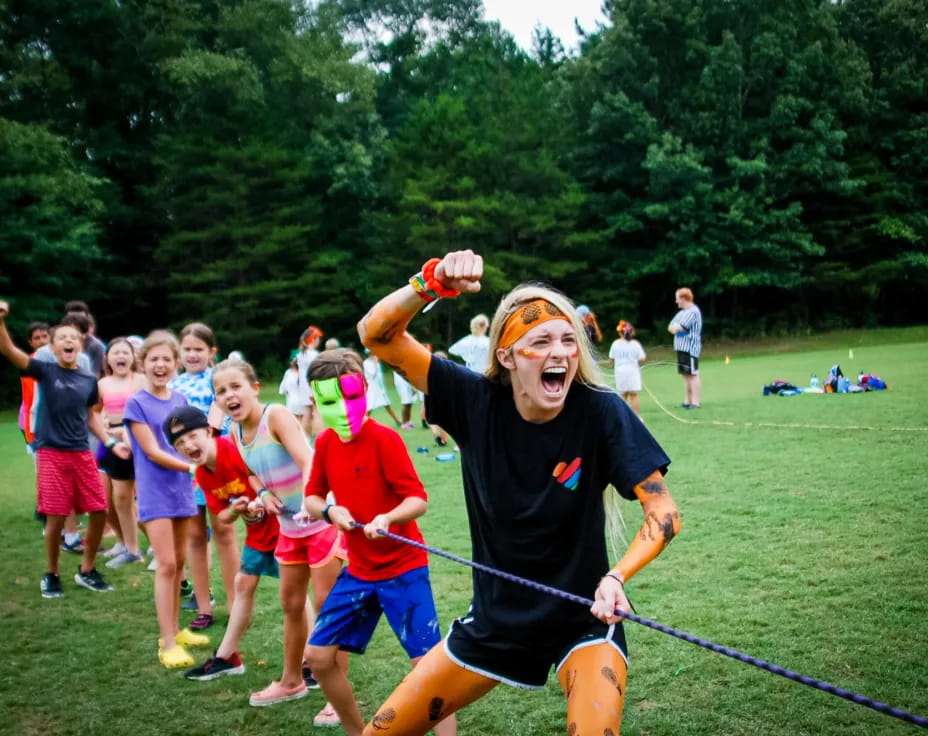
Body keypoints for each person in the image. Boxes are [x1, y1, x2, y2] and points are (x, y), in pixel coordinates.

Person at [357, 251, 681, 736]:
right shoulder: (472, 401)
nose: (560, 352)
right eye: (541, 341)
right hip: (494, 625)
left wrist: (616, 577)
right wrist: (430, 283)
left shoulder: (601, 412)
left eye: (569, 340)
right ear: (506, 357)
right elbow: (376, 335)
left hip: (585, 622)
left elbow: (664, 511)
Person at [301, 349, 457, 736]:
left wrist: (387, 517)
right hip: (358, 571)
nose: (342, 408)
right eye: (330, 401)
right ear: (317, 401)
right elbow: (312, 497)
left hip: (404, 568)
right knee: (319, 658)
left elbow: (418, 499)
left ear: (366, 389)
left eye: (351, 396)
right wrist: (329, 512)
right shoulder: (324, 444)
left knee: (429, 666)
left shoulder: (384, 439)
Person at [213, 358, 346, 715]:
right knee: (291, 604)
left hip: (318, 524)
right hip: (288, 530)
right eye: (221, 391)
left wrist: (311, 502)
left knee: (326, 606)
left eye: (235, 387)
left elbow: (308, 462)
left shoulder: (276, 416)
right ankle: (291, 681)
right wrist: (261, 494)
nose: (229, 396)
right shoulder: (233, 433)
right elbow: (251, 472)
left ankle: (337, 697)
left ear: (255, 388)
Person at [0, 302, 128, 598]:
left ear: (81, 344)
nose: (69, 341)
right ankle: (52, 573)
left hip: (81, 452)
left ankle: (87, 569)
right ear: (53, 347)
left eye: (73, 337)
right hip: (51, 453)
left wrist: (110, 442)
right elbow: (8, 351)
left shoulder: (87, 379)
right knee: (56, 516)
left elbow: (92, 415)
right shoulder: (44, 370)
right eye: (62, 338)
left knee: (99, 511)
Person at [163, 406, 281, 682]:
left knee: (292, 596)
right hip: (259, 534)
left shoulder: (235, 449)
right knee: (243, 585)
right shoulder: (204, 473)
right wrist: (238, 509)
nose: (188, 445)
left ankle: (309, 663)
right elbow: (222, 517)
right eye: (179, 443)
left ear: (208, 431)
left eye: (192, 436)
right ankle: (227, 657)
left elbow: (273, 477)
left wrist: (263, 500)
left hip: (284, 530)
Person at [123, 330, 211, 667]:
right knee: (167, 565)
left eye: (166, 359)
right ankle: (167, 641)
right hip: (156, 492)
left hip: (181, 491)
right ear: (142, 363)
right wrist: (194, 467)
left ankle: (175, 631)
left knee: (179, 564)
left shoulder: (179, 401)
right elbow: (153, 451)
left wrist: (202, 459)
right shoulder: (137, 404)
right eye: (153, 359)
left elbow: (192, 439)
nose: (160, 365)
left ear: (175, 364)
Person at [169, 322, 239, 631]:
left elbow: (218, 417)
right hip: (184, 468)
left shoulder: (216, 380)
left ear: (212, 352)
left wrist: (206, 441)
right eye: (187, 349)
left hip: (215, 462)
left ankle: (236, 604)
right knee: (195, 537)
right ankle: (203, 605)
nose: (192, 355)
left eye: (199, 349)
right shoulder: (175, 385)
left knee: (223, 532)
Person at [98, 337, 146, 567]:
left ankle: (159, 544)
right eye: (115, 352)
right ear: (107, 358)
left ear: (133, 357)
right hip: (112, 446)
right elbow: (96, 412)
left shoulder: (141, 380)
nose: (120, 356)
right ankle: (131, 549)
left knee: (145, 498)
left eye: (125, 352)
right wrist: (105, 424)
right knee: (121, 498)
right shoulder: (102, 384)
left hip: (140, 442)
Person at [667, 287, 702, 409]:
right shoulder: (681, 313)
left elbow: (680, 327)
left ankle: (695, 402)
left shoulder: (693, 311)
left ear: (683, 298)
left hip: (690, 348)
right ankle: (687, 401)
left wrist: (676, 328)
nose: (676, 301)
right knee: (685, 375)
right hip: (681, 348)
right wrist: (675, 328)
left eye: (678, 299)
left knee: (693, 374)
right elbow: (670, 327)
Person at [608, 321, 646, 415]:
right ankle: (636, 416)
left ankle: (623, 416)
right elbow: (642, 358)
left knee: (623, 395)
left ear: (620, 332)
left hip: (620, 372)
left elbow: (611, 358)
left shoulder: (615, 343)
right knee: (634, 395)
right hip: (632, 371)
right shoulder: (635, 344)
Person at [64, 300, 106, 377]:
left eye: (80, 318)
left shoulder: (96, 346)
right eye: (72, 318)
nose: (76, 321)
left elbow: (95, 376)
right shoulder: (58, 342)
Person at [295, 325, 324, 438]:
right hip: (313, 386)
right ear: (313, 339)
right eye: (318, 338)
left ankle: (305, 438)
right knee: (317, 412)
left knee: (306, 413)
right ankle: (320, 437)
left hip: (303, 388)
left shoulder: (300, 355)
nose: (319, 341)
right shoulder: (314, 355)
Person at [362, 351, 401, 426]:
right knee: (370, 406)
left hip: (379, 387)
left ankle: (397, 420)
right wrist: (375, 364)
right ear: (370, 354)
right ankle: (363, 423)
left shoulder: (376, 362)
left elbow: (380, 376)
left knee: (387, 404)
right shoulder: (366, 363)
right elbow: (373, 374)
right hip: (372, 388)